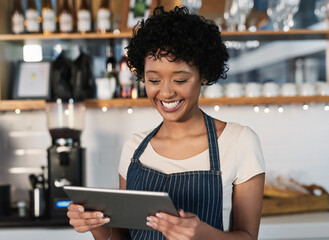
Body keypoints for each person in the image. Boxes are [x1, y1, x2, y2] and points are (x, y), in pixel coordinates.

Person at [67, 6, 265, 240]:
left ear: (203, 75)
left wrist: (202, 234)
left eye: (180, 79)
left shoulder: (239, 141)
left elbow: (248, 237)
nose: (166, 92)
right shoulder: (134, 149)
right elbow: (122, 237)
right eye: (153, 80)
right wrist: (96, 225)